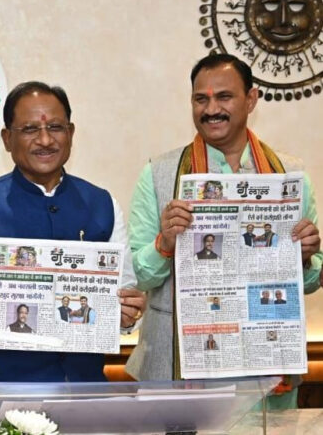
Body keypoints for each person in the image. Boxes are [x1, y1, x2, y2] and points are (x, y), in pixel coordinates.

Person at [124, 54, 322, 410]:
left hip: (265, 368)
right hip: (177, 366)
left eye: (224, 97)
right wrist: (165, 243)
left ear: (251, 99)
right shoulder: (158, 173)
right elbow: (138, 275)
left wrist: (305, 257)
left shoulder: (289, 176)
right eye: (201, 99)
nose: (211, 109)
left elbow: (308, 282)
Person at [0, 81, 145, 411]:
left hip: (85, 394)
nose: (45, 140)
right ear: (7, 139)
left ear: (71, 133)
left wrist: (129, 314)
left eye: (56, 127)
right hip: (1, 396)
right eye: (30, 129)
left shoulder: (102, 204)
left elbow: (124, 297)